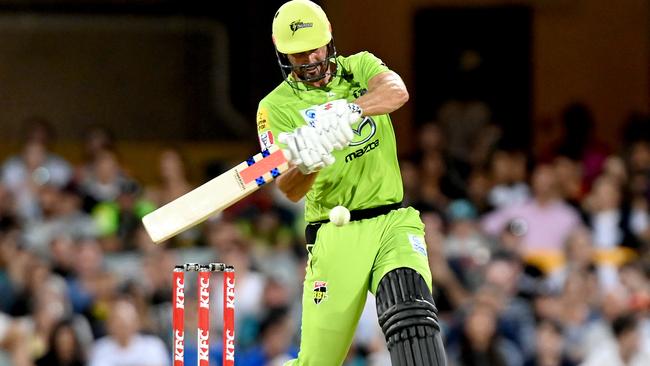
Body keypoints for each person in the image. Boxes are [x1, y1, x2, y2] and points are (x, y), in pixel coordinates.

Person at [257, 1, 446, 364]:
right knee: (318, 361)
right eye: (297, 54)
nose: (309, 59)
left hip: (392, 220)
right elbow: (289, 188)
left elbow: (396, 91)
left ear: (329, 40)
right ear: (281, 51)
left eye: (314, 48)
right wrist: (311, 162)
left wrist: (352, 109)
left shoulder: (359, 67)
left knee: (412, 317)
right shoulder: (274, 107)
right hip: (335, 234)